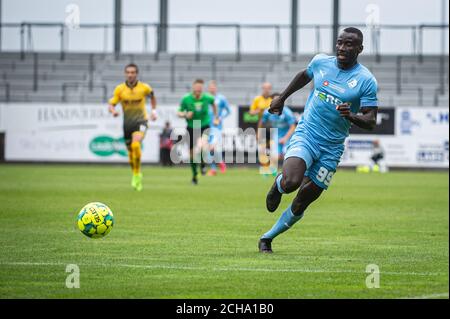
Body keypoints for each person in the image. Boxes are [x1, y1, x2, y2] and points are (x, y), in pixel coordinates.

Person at [259, 27, 378, 253]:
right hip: (307, 134)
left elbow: (371, 119)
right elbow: (305, 75)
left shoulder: (365, 80)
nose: (342, 48)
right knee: (291, 182)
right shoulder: (321, 62)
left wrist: (351, 115)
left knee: (304, 198)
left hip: (332, 148)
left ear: (360, 49)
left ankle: (267, 237)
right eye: (340, 43)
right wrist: (281, 98)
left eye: (349, 44)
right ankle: (277, 185)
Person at [108, 63, 157, 192]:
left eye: (132, 72)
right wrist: (113, 111)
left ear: (136, 74)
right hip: (127, 123)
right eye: (128, 72)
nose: (130, 74)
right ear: (125, 74)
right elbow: (112, 103)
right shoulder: (120, 89)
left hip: (141, 121)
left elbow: (152, 96)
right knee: (130, 154)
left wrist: (154, 111)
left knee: (136, 145)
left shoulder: (144, 88)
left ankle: (137, 174)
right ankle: (135, 173)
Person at [177, 79, 218, 185]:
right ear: (193, 89)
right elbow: (179, 112)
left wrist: (216, 117)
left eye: (200, 89)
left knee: (201, 146)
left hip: (204, 125)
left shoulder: (208, 97)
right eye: (196, 89)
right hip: (191, 127)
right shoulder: (186, 99)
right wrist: (185, 115)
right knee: (192, 154)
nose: (198, 91)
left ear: (202, 89)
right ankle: (195, 175)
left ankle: (203, 164)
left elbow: (214, 104)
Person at [259, 93, 297, 175]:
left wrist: (285, 138)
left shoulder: (287, 112)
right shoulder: (267, 112)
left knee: (287, 154)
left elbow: (293, 126)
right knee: (274, 154)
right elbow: (262, 122)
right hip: (276, 134)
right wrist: (259, 134)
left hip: (288, 135)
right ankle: (272, 171)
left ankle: (290, 172)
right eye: (275, 100)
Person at [206, 80, 231, 176]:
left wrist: (220, 117)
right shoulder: (205, 98)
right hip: (207, 126)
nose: (212, 89)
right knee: (209, 148)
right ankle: (217, 166)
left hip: (217, 127)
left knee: (213, 147)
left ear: (216, 88)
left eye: (213, 87)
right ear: (208, 88)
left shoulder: (221, 98)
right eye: (210, 87)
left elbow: (228, 111)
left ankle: (217, 165)